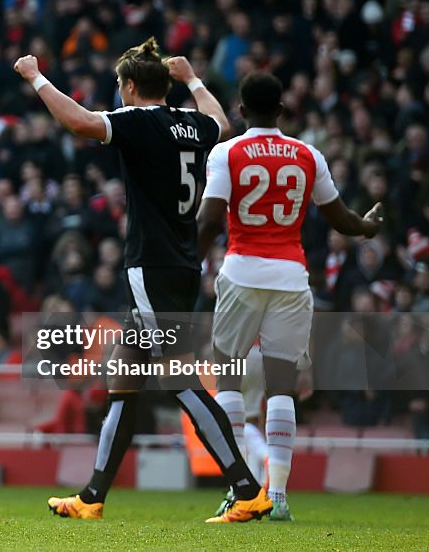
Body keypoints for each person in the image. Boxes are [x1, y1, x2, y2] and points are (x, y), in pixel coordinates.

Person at [15, 37, 269, 522]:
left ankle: (246, 487)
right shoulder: (195, 124)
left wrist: (35, 77)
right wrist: (193, 78)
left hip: (150, 266)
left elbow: (78, 121)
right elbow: (222, 123)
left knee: (180, 379)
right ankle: (92, 496)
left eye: (119, 85)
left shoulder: (137, 119)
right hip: (182, 263)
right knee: (124, 376)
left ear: (130, 86)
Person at [198, 72, 382, 521]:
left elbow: (207, 221)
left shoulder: (227, 152)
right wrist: (367, 226)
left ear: (241, 111)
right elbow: (340, 218)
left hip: (242, 271)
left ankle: (240, 491)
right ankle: (277, 496)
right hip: (291, 276)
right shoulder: (307, 154)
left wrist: (186, 262)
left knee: (229, 381)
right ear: (281, 110)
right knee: (282, 387)